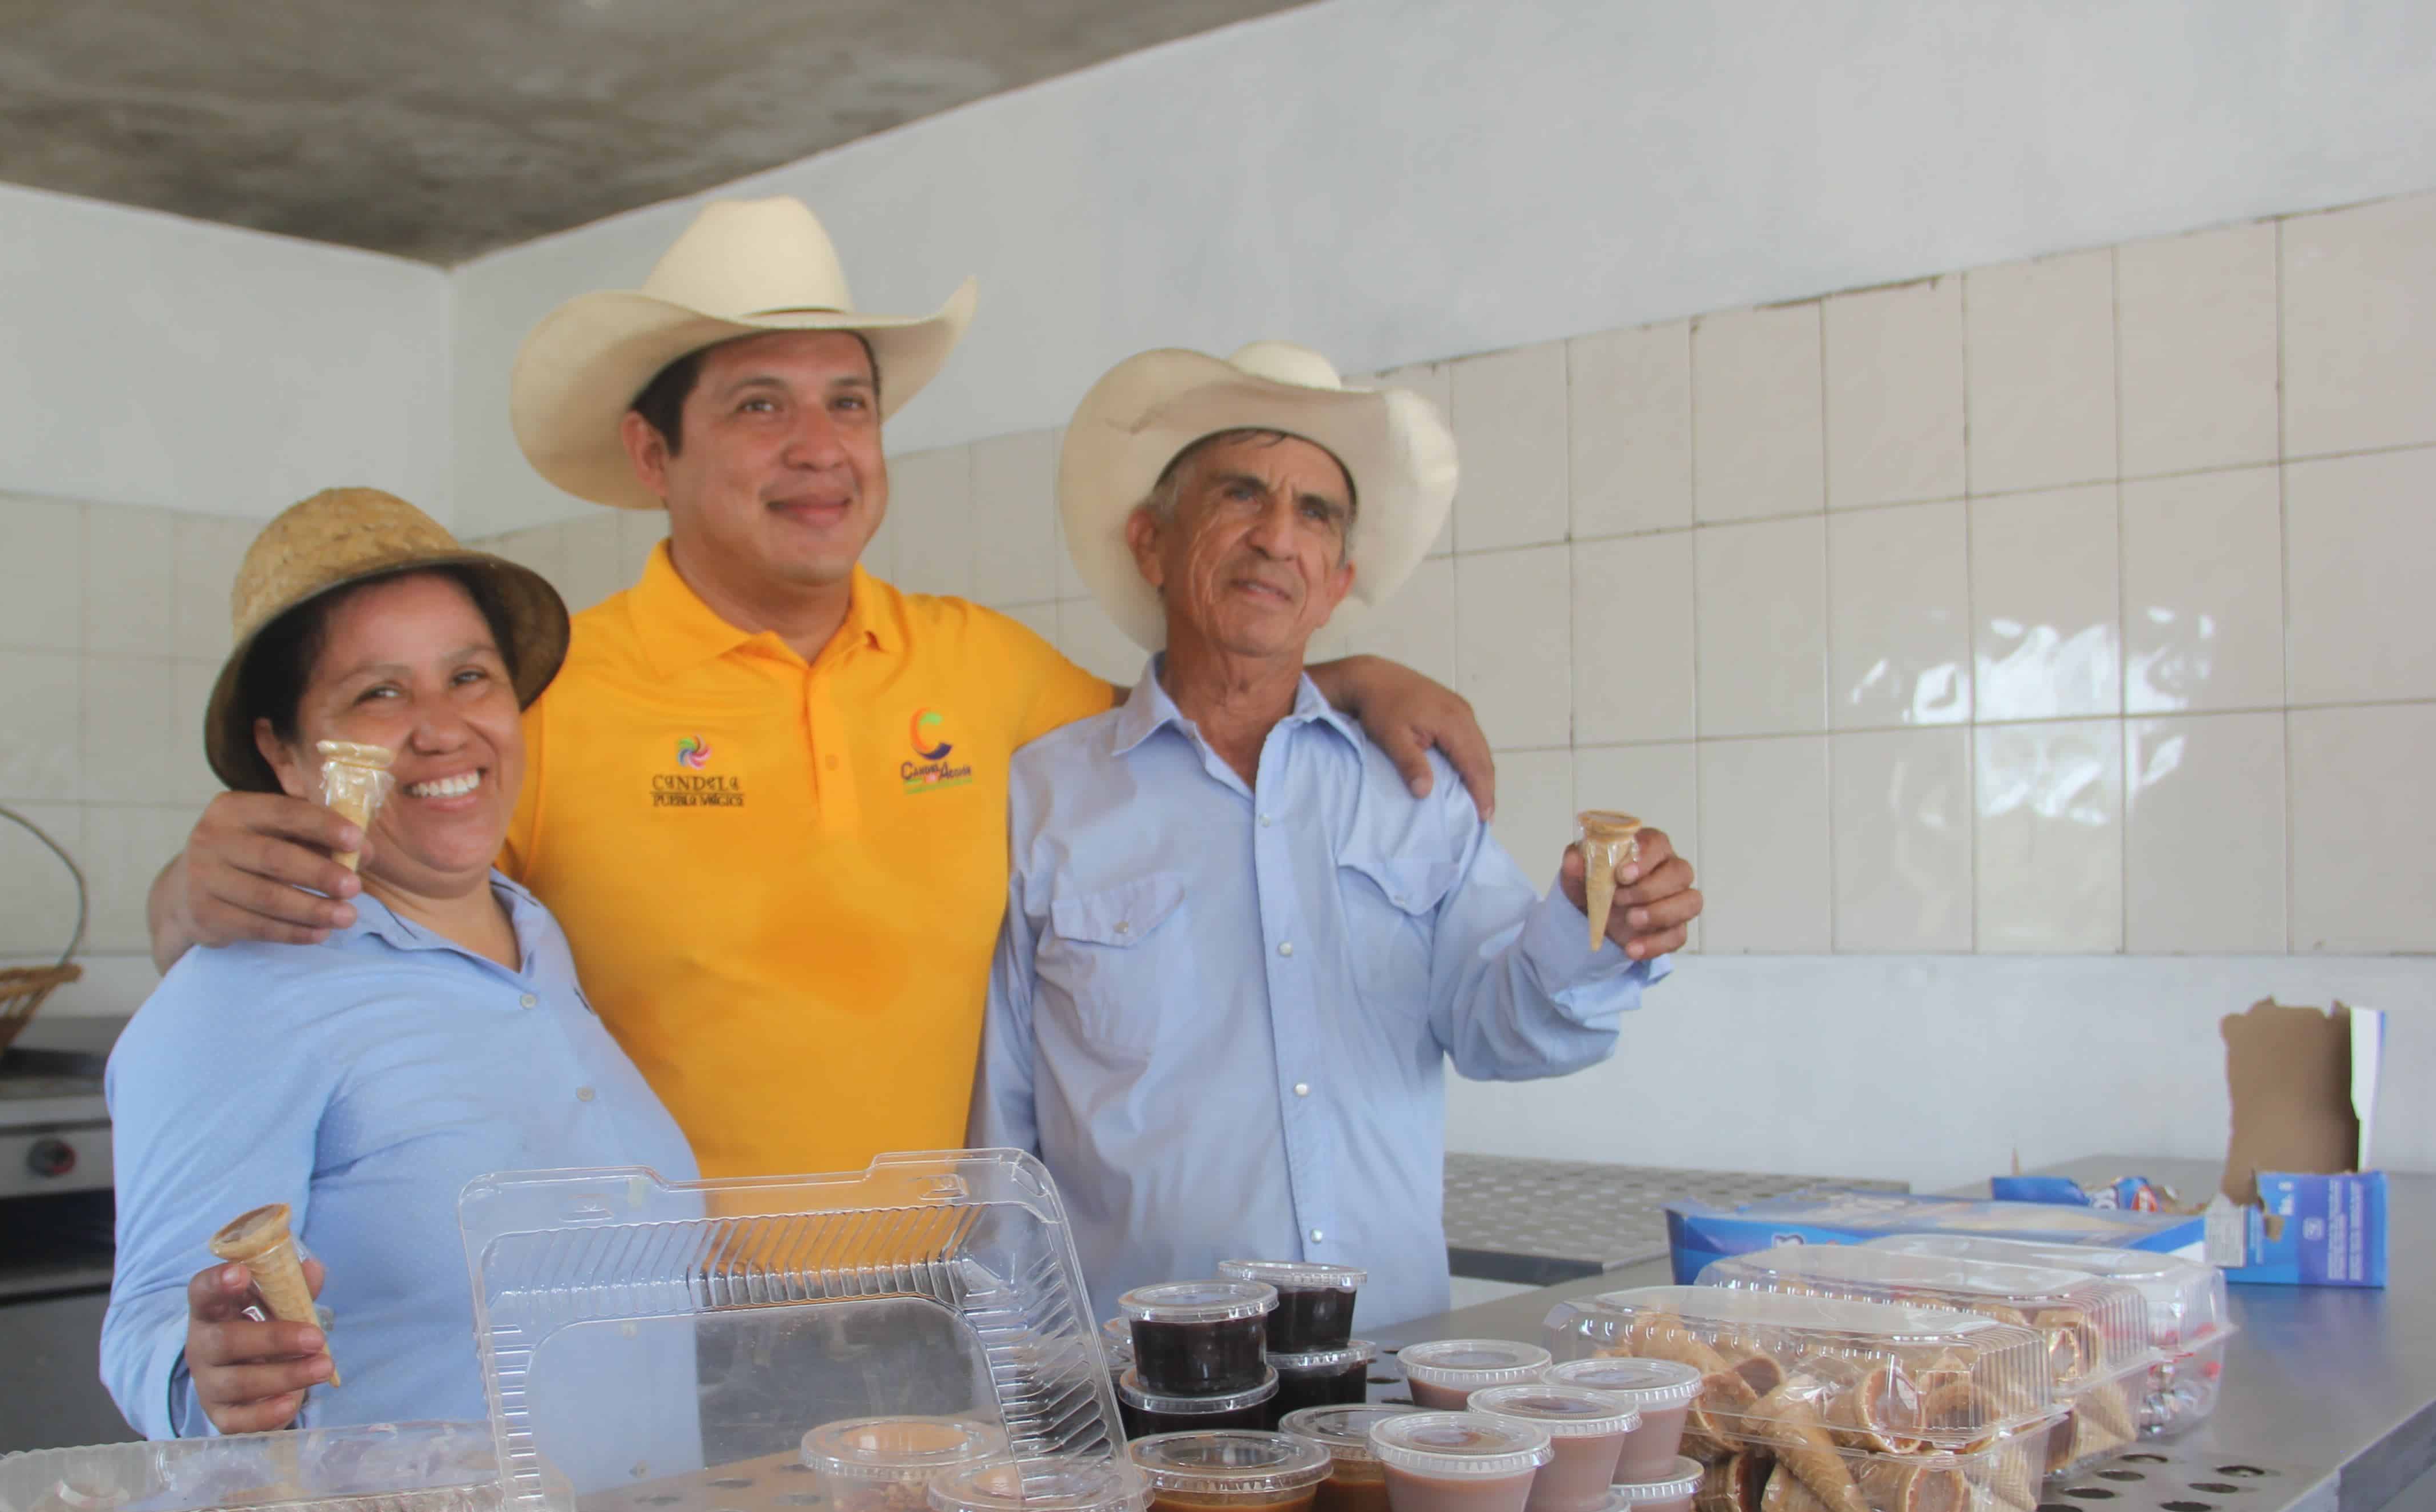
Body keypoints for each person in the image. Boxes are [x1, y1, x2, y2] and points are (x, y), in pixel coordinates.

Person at [145, 196, 1501, 1179]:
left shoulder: (980, 664)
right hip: (656, 1320)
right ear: (648, 452)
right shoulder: (544, 699)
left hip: (944, 1314)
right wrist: (191, 898)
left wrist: (1340, 671)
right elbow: (340, 934)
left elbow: (1194, 739)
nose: (820, 449)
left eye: (849, 403)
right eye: (757, 406)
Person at [972, 343, 1702, 1333]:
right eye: (1241, 495)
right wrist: (1029, 1399)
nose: (1279, 537)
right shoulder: (1045, 797)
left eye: (1316, 512)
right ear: (1152, 542)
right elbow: (999, 1146)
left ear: (1339, 578)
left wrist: (1594, 926)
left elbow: (1504, 1029)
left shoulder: (1413, 790)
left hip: (1385, 1377)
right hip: (1138, 1391)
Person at [101, 488, 695, 1440]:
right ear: (283, 754)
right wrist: (205, 1374)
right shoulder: (239, 994)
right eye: (378, 693)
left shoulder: (540, 949)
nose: (440, 728)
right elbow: (152, 1330)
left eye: (470, 677)